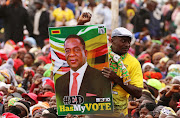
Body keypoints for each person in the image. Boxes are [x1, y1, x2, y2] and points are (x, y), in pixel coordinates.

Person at [55, 34, 111, 103]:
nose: (72, 54)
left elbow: (106, 106)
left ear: (85, 53)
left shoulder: (102, 78)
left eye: (76, 50)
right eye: (67, 51)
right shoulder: (59, 82)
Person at [102, 27, 143, 117]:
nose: (127, 45)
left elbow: (138, 93)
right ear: (112, 41)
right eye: (123, 41)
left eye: (129, 42)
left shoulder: (133, 62)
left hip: (119, 113)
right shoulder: (101, 56)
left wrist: (117, 79)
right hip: (96, 111)